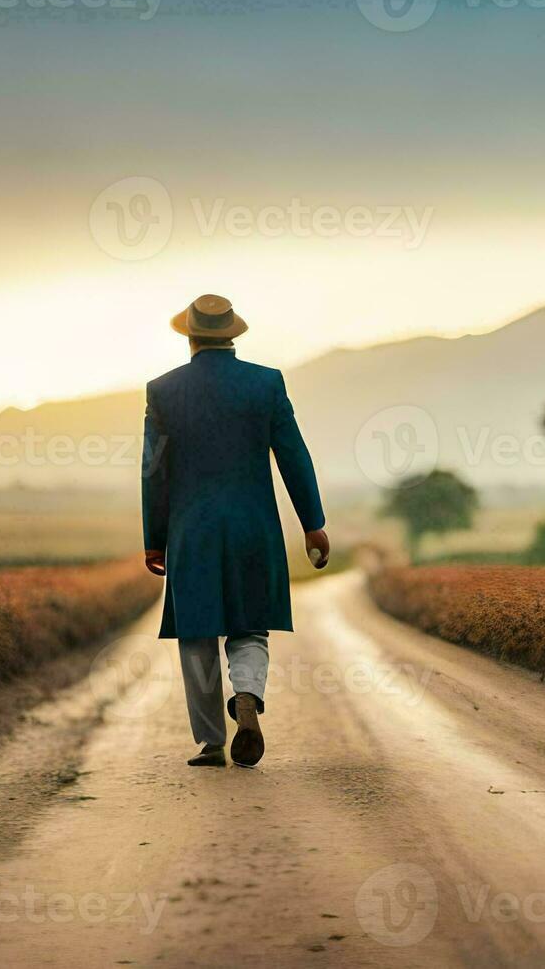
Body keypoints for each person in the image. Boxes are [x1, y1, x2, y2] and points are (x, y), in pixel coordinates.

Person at [141, 294, 329, 768]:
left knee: (197, 634)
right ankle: (246, 693)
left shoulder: (162, 391)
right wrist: (313, 524)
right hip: (254, 529)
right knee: (249, 627)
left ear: (189, 335)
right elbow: (294, 456)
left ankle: (211, 742)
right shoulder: (266, 384)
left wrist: (154, 537)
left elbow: (154, 472)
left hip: (193, 532)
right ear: (232, 334)